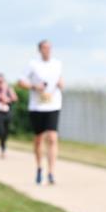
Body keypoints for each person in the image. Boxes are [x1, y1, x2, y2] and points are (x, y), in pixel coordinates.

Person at [18, 40, 64, 185]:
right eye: (45, 48)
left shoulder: (57, 64)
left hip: (53, 104)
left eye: (50, 48)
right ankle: (39, 168)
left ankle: (51, 172)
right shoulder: (33, 64)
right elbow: (21, 81)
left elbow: (60, 79)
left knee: (52, 137)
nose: (47, 50)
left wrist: (61, 83)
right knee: (39, 139)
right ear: (39, 50)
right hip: (37, 106)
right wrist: (34, 86)